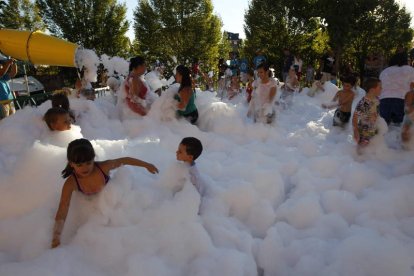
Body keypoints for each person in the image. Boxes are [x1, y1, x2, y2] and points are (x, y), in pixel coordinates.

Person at [51, 138, 159, 248]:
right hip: (92, 210)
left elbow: (125, 160)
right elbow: (63, 207)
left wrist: (147, 165)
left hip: (112, 203)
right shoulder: (71, 183)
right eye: (79, 165)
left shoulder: (103, 167)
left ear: (94, 158)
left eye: (88, 163)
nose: (85, 168)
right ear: (71, 164)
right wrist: (56, 235)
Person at [379, 52, 414, 125]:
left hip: (384, 100)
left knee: (385, 125)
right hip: (401, 100)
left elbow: (380, 87)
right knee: (398, 125)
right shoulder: (410, 70)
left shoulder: (385, 71)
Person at [352, 78, 382, 149]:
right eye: (380, 87)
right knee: (362, 150)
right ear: (372, 90)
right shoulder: (364, 103)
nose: (382, 88)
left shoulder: (377, 99)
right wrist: (355, 131)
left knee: (371, 150)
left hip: (373, 130)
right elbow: (355, 117)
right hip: (364, 133)